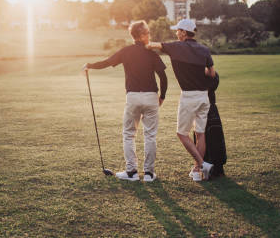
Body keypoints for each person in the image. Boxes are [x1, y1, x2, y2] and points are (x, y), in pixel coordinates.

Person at [83, 20, 167, 182]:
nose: (149, 35)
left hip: (133, 97)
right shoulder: (152, 54)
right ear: (141, 35)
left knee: (129, 134)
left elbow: (107, 62)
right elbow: (163, 77)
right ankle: (149, 174)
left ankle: (132, 172)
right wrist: (162, 96)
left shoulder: (126, 51)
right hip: (150, 97)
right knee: (150, 135)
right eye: (148, 33)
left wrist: (89, 65)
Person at [147, 18, 216, 182]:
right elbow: (212, 73)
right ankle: (198, 171)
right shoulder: (204, 49)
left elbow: (152, 45)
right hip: (203, 97)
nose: (176, 33)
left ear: (184, 32)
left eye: (178, 31)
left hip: (189, 97)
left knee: (181, 134)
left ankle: (202, 164)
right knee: (200, 134)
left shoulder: (175, 47)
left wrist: (142, 44)